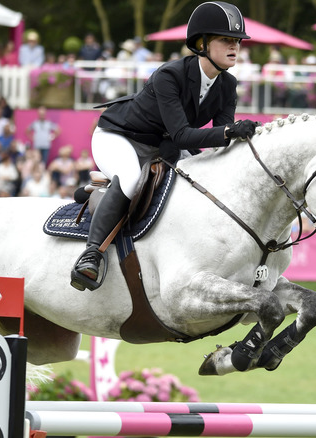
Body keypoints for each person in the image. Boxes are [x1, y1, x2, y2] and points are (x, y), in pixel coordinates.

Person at [69, 1, 259, 291]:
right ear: (202, 43)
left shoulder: (227, 85)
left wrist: (239, 141)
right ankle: (91, 255)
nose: (235, 47)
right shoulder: (170, 75)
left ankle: (96, 194)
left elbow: (219, 141)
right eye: (226, 40)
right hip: (119, 137)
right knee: (132, 179)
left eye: (237, 41)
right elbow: (184, 135)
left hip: (162, 144)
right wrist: (229, 132)